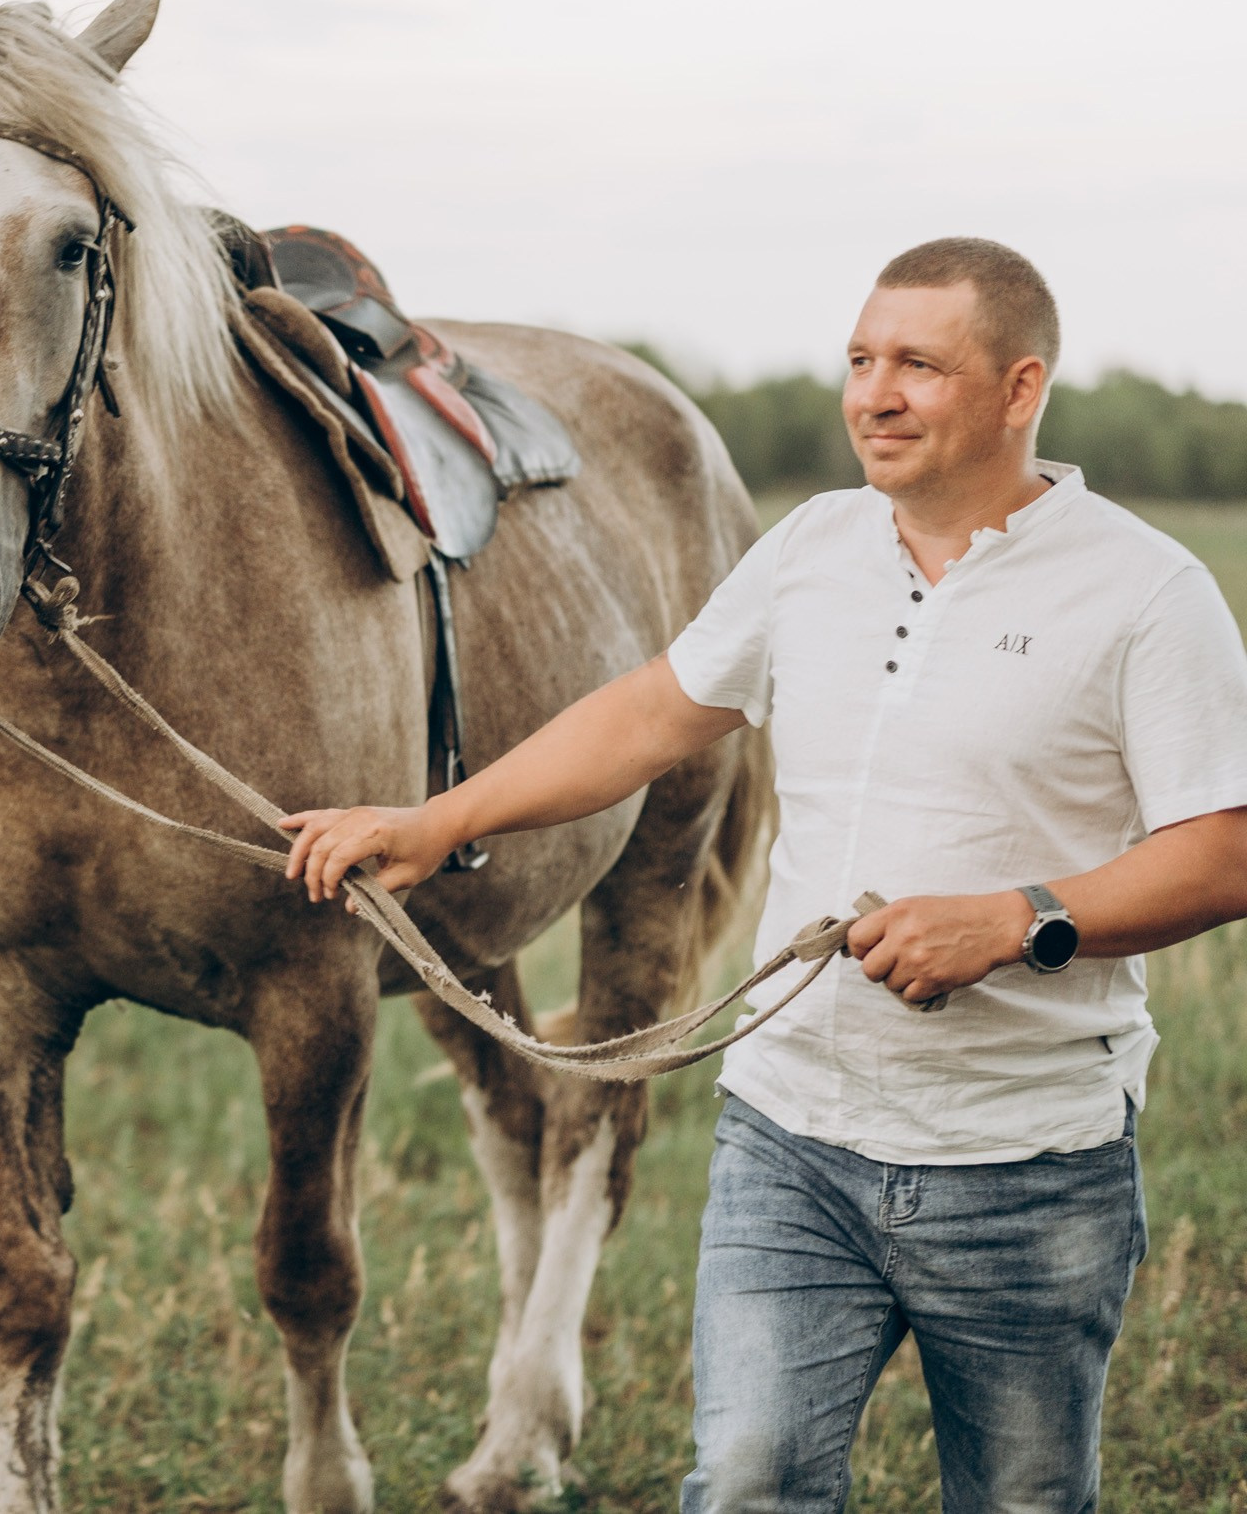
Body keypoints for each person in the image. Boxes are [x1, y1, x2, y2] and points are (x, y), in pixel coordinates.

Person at [279, 237, 1247, 1512]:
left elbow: (1223, 849)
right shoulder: (812, 550)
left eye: (917, 365)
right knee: (744, 1483)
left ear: (1020, 391)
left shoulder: (1143, 593)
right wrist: (432, 820)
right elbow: (649, 714)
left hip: (1025, 1165)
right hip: (786, 1139)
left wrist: (1020, 922)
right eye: (858, 360)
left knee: (1019, 1499)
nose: (872, 394)